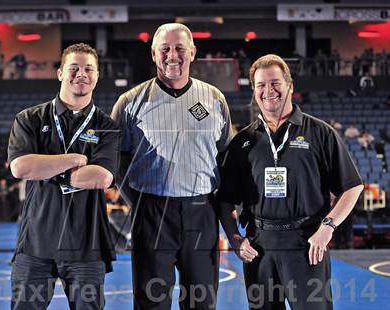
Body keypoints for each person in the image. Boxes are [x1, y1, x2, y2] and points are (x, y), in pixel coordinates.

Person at [217, 54, 363, 310]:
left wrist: (327, 228)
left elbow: (352, 186)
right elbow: (225, 198)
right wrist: (234, 238)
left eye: (275, 83)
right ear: (254, 91)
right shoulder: (242, 142)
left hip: (306, 244)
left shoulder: (320, 133)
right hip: (259, 246)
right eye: (261, 85)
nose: (268, 91)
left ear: (290, 86)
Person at [111, 23, 233, 310]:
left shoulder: (214, 99)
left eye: (179, 48)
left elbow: (226, 156)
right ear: (154, 54)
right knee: (151, 302)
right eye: (164, 49)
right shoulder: (129, 102)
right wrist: (138, 201)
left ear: (192, 52)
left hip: (202, 210)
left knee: (201, 302)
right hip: (151, 212)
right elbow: (116, 159)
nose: (172, 55)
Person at [7, 43, 120, 309]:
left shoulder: (107, 126)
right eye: (74, 68)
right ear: (60, 73)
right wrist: (73, 161)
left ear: (97, 75)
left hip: (87, 248)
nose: (81, 74)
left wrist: (47, 169)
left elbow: (101, 177)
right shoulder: (30, 119)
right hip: (35, 245)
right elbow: (21, 168)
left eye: (88, 69)